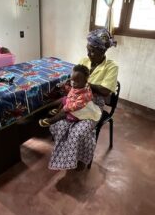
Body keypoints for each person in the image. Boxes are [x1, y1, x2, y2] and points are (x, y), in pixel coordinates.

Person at [48, 28, 118, 171]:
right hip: (76, 100)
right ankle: (65, 159)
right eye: (88, 49)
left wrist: (84, 84)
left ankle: (79, 159)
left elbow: (105, 91)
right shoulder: (84, 60)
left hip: (93, 106)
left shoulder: (111, 67)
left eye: (92, 51)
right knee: (58, 125)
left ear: (103, 51)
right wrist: (70, 83)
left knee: (77, 132)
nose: (88, 53)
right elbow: (75, 79)